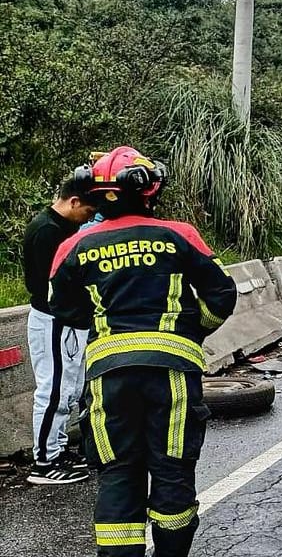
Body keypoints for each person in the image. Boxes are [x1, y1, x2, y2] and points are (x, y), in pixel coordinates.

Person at [47, 146, 238, 557]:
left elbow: (63, 308)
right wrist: (189, 332)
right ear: (149, 190)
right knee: (171, 471)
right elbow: (221, 294)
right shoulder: (178, 234)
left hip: (108, 376)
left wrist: (103, 324)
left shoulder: (73, 247)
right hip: (171, 374)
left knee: (118, 472)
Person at [23, 175, 97, 484]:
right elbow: (50, 285)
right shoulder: (47, 231)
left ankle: (58, 448)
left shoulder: (62, 227)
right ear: (73, 202)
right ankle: (44, 462)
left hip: (68, 323)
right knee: (53, 392)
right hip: (53, 321)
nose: (89, 219)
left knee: (68, 391)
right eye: (88, 213)